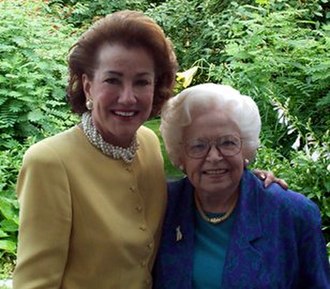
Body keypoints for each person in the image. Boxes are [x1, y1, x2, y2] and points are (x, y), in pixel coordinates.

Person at [13, 10, 287, 289]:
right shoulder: (49, 162)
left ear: (156, 87)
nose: (128, 97)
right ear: (88, 86)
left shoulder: (148, 144)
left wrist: (247, 182)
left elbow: (196, 183)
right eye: (113, 80)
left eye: (141, 81)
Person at [153, 83, 330, 289]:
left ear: (245, 149)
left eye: (227, 143)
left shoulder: (293, 214)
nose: (214, 156)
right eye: (198, 145)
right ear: (180, 156)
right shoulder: (162, 205)